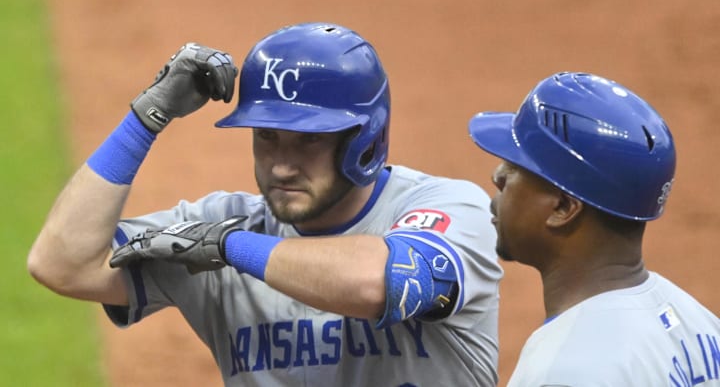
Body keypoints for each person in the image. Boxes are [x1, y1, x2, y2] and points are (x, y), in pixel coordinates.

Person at [28, 22, 503, 386]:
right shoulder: (218, 227)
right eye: (267, 138)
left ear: (365, 138)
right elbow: (61, 264)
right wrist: (145, 119)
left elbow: (383, 283)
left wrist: (230, 248)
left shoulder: (447, 208)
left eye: (307, 142)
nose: (280, 166)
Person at [468, 71, 720, 386]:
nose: (497, 176)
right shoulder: (699, 325)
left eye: (516, 167)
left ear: (563, 207)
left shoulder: (567, 369)